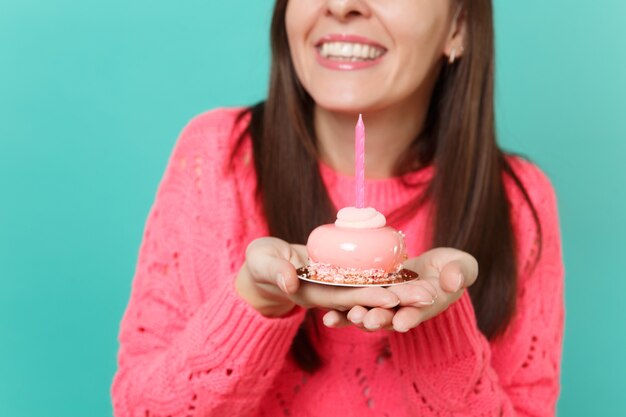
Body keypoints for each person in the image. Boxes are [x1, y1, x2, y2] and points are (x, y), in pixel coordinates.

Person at [111, 0, 564, 416]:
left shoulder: (519, 202)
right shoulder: (216, 159)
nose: (343, 5)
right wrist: (256, 300)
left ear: (459, 25)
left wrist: (439, 329)